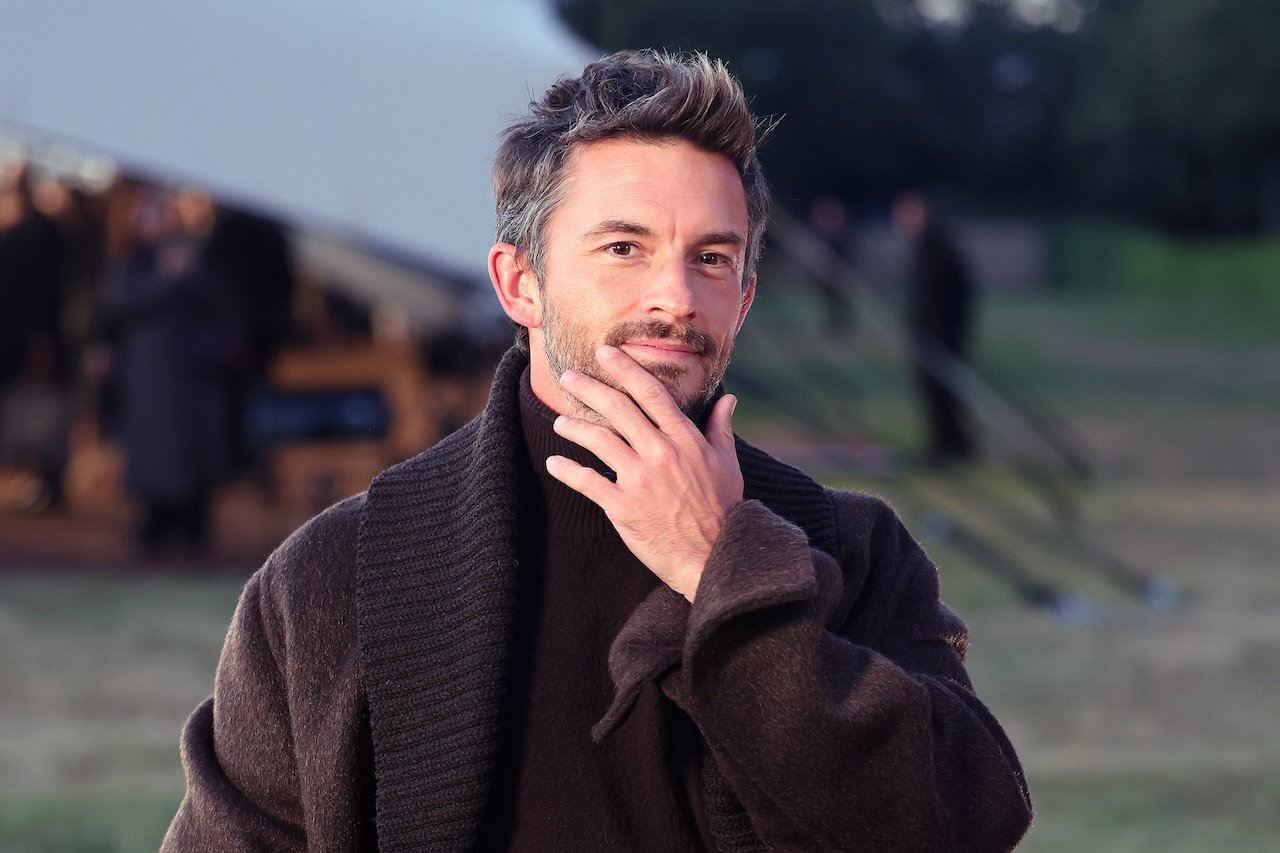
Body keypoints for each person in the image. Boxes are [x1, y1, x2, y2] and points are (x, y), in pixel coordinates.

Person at [163, 51, 1031, 851]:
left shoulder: (854, 552)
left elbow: (964, 825)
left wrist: (727, 572)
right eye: (625, 248)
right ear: (520, 284)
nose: (675, 296)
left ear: (747, 294)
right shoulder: (332, 577)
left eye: (713, 258)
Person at [893, 191, 978, 466]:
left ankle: (952, 445)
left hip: (940, 335)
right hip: (929, 334)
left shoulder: (936, 247)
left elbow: (954, 293)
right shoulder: (925, 245)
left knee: (942, 391)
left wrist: (944, 328)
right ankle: (946, 443)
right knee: (933, 392)